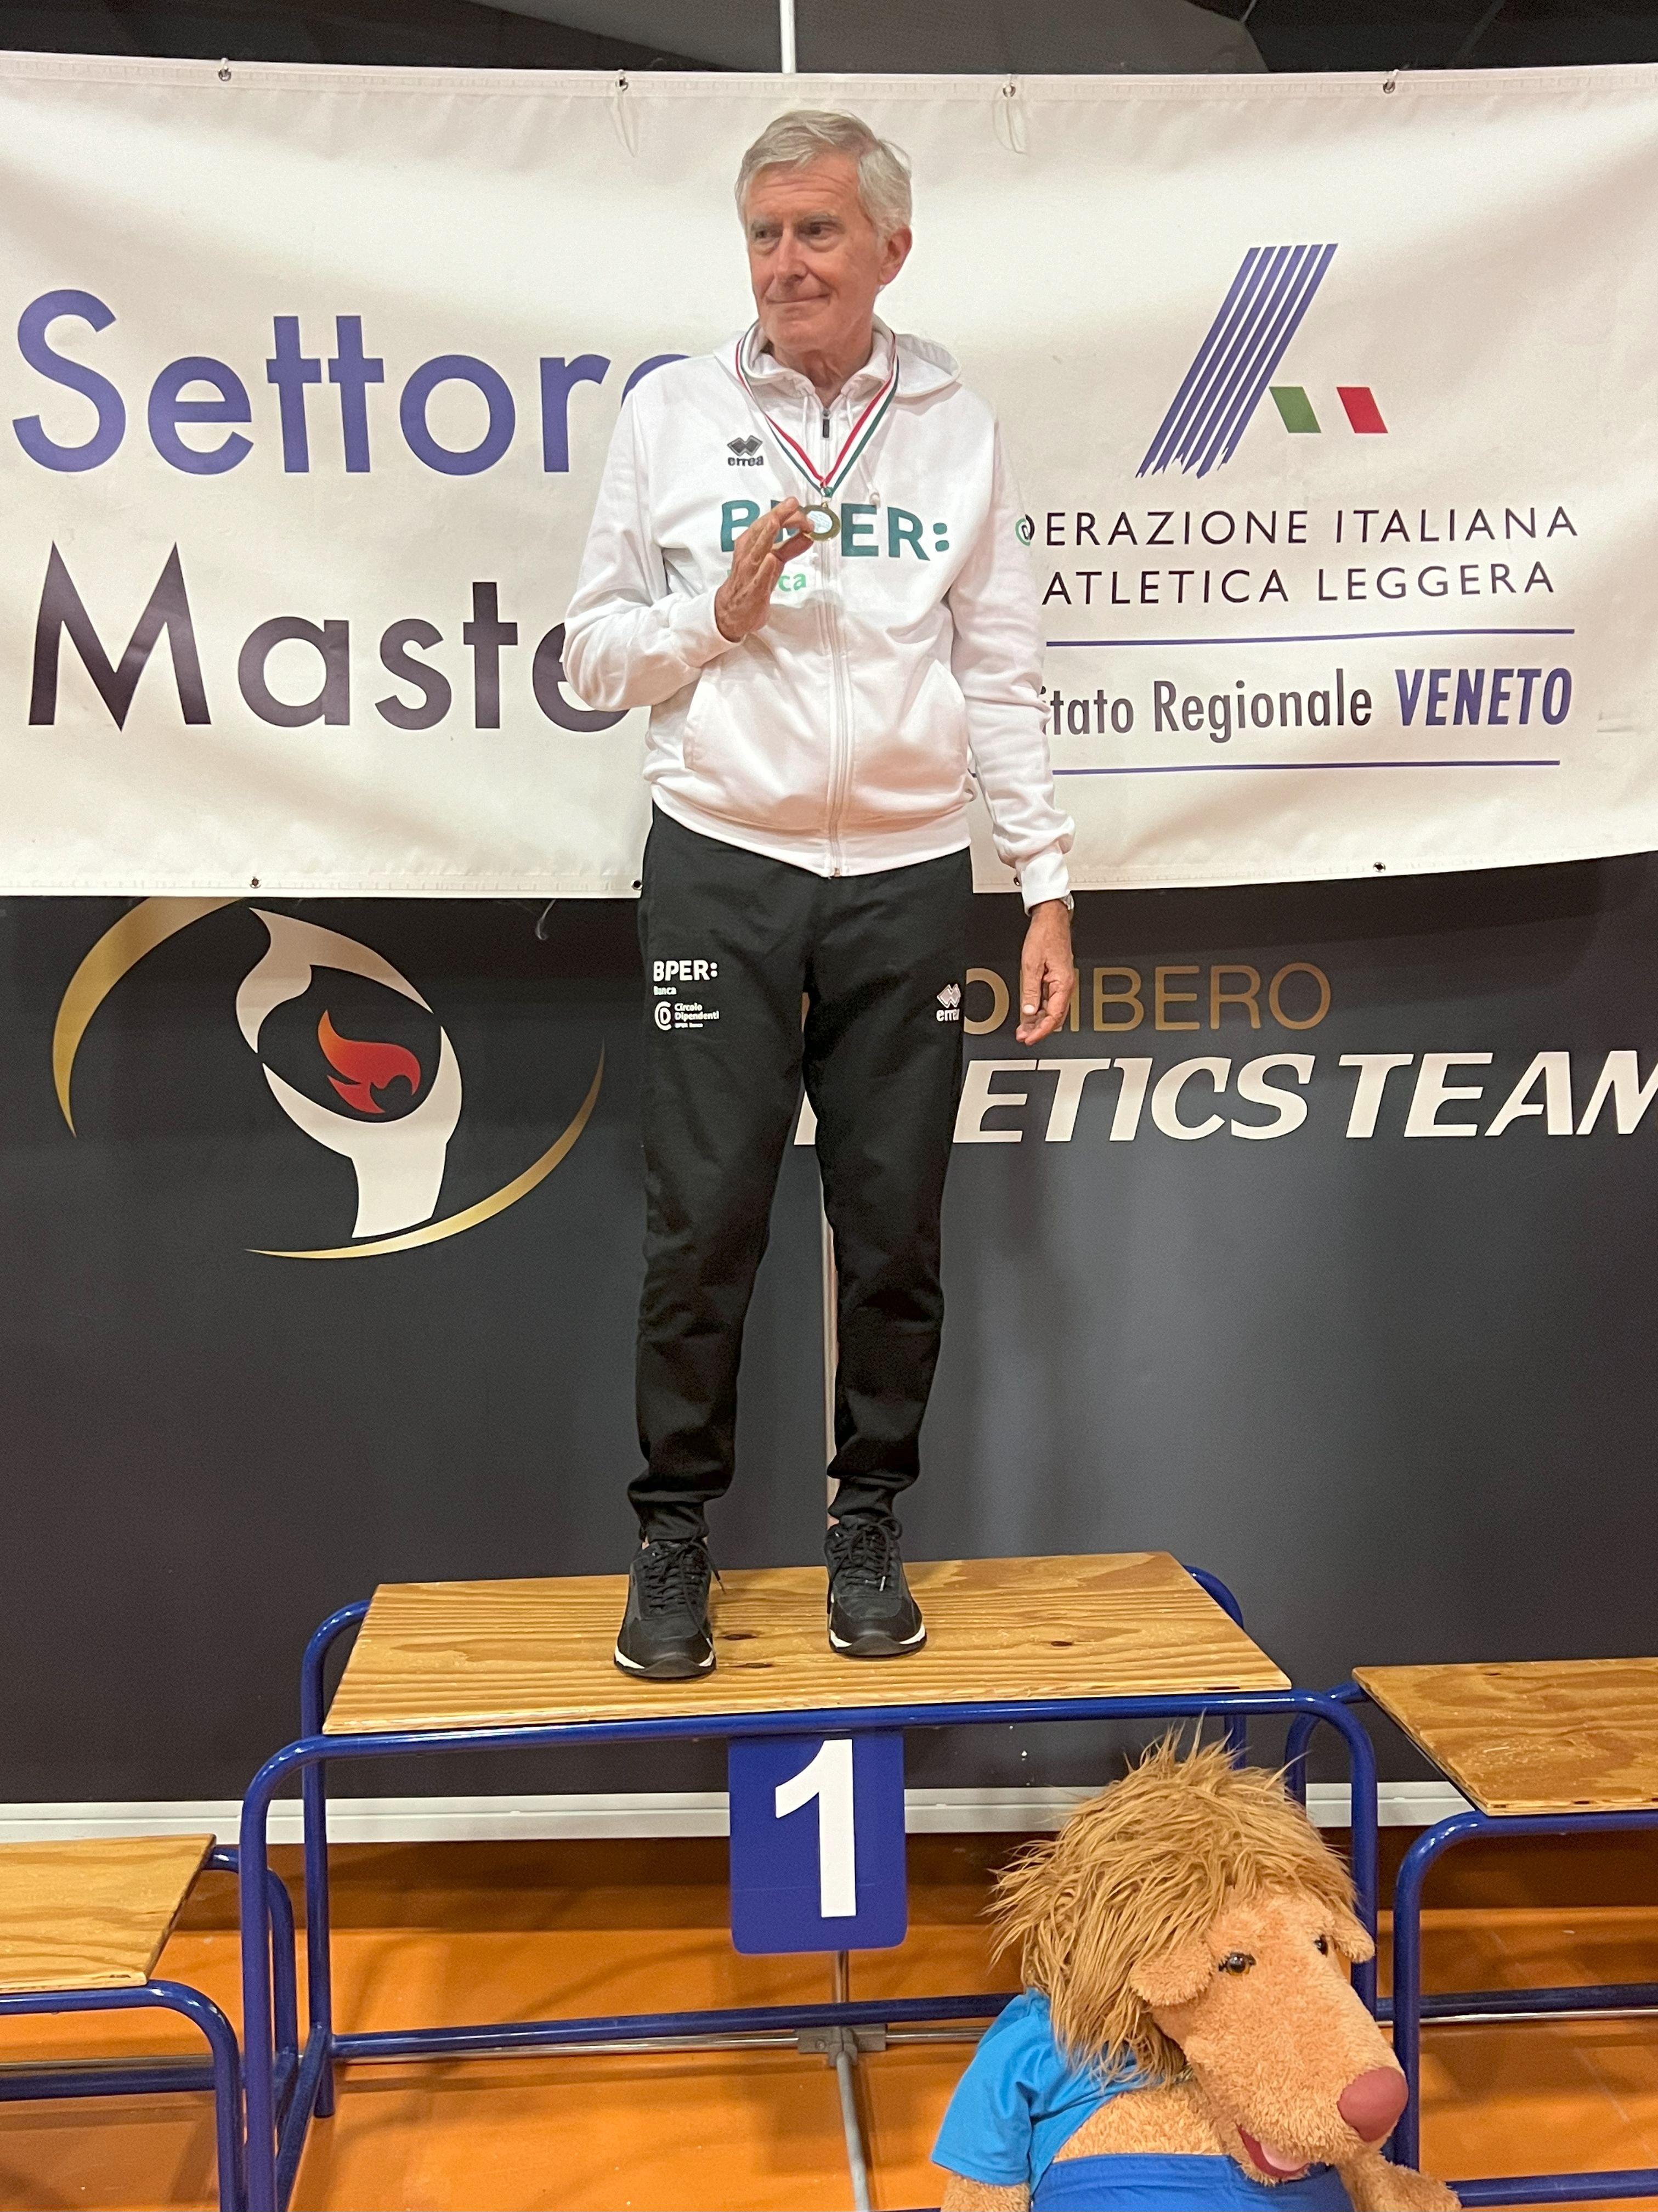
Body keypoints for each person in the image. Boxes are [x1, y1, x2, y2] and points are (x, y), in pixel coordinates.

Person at [564, 107, 1075, 1680]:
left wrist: (1045, 882)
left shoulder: (957, 423)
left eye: (817, 232)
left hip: (910, 873)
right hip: (724, 860)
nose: (786, 263)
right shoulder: (673, 413)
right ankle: (673, 1534)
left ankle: (869, 1522)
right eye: (765, 235)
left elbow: (1001, 669)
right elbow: (588, 659)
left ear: (889, 250)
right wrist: (710, 620)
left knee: (893, 1228)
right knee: (705, 1219)